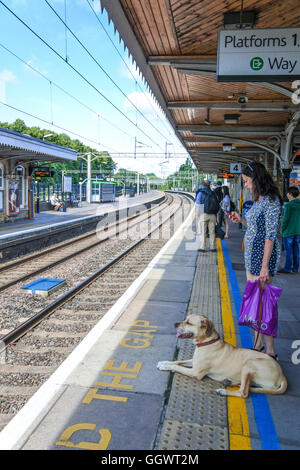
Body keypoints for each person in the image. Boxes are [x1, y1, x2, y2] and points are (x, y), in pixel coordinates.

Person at [230, 161, 282, 360]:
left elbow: (270, 235)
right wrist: (241, 220)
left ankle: (269, 351)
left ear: (256, 179)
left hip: (261, 260)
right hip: (252, 259)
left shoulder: (271, 201)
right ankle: (259, 345)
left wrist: (264, 267)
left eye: (246, 181)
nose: (245, 185)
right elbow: (254, 227)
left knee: (262, 305)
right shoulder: (260, 200)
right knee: (258, 304)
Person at [278, 186, 300, 274]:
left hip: (288, 232)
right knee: (296, 250)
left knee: (289, 251)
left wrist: (282, 230)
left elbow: (285, 219)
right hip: (298, 231)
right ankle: (295, 268)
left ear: (290, 194)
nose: (287, 195)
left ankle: (287, 268)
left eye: (287, 193)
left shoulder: (289, 206)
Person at [195, 180, 219, 253]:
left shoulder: (200, 193)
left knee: (203, 232)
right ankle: (213, 248)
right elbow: (217, 204)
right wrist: (216, 215)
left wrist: (197, 215)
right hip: (213, 215)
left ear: (203, 185)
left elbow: (198, 205)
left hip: (203, 214)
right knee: (212, 232)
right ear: (209, 185)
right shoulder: (213, 193)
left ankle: (203, 247)